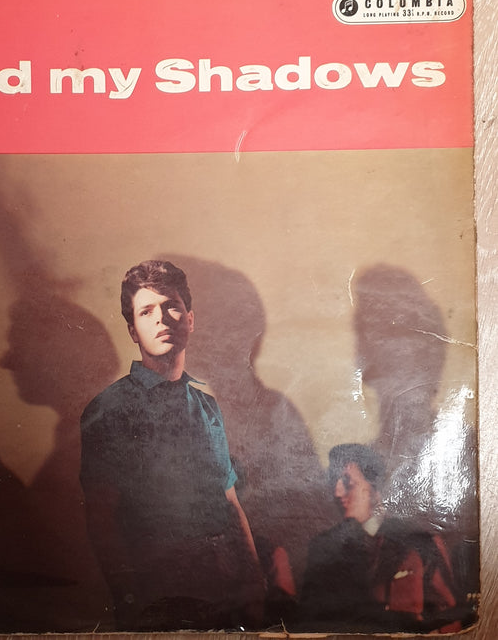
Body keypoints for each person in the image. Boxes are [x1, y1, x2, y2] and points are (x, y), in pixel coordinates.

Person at [79, 260, 264, 631]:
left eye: (171, 306)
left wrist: (256, 584)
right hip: (158, 599)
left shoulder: (207, 407)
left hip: (223, 593)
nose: (162, 319)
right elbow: (101, 518)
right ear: (133, 330)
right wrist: (130, 601)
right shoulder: (109, 409)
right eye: (146, 312)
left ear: (190, 320)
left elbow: (229, 501)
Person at [299, 443, 463, 633]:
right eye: (333, 481)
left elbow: (450, 619)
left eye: (347, 481)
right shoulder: (321, 548)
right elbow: (308, 622)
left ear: (374, 488)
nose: (337, 492)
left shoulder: (420, 543)